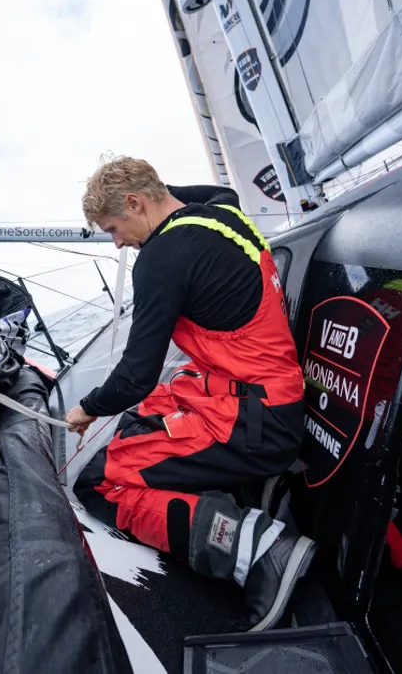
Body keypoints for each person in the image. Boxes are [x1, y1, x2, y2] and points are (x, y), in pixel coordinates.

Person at [67, 155, 315, 632]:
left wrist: (87, 409)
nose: (117, 242)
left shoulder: (161, 260)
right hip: (269, 394)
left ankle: (262, 550)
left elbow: (136, 376)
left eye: (114, 228)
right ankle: (242, 486)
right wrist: (148, 187)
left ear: (136, 203)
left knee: (99, 482)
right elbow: (202, 192)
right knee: (148, 414)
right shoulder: (221, 211)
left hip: (256, 422)